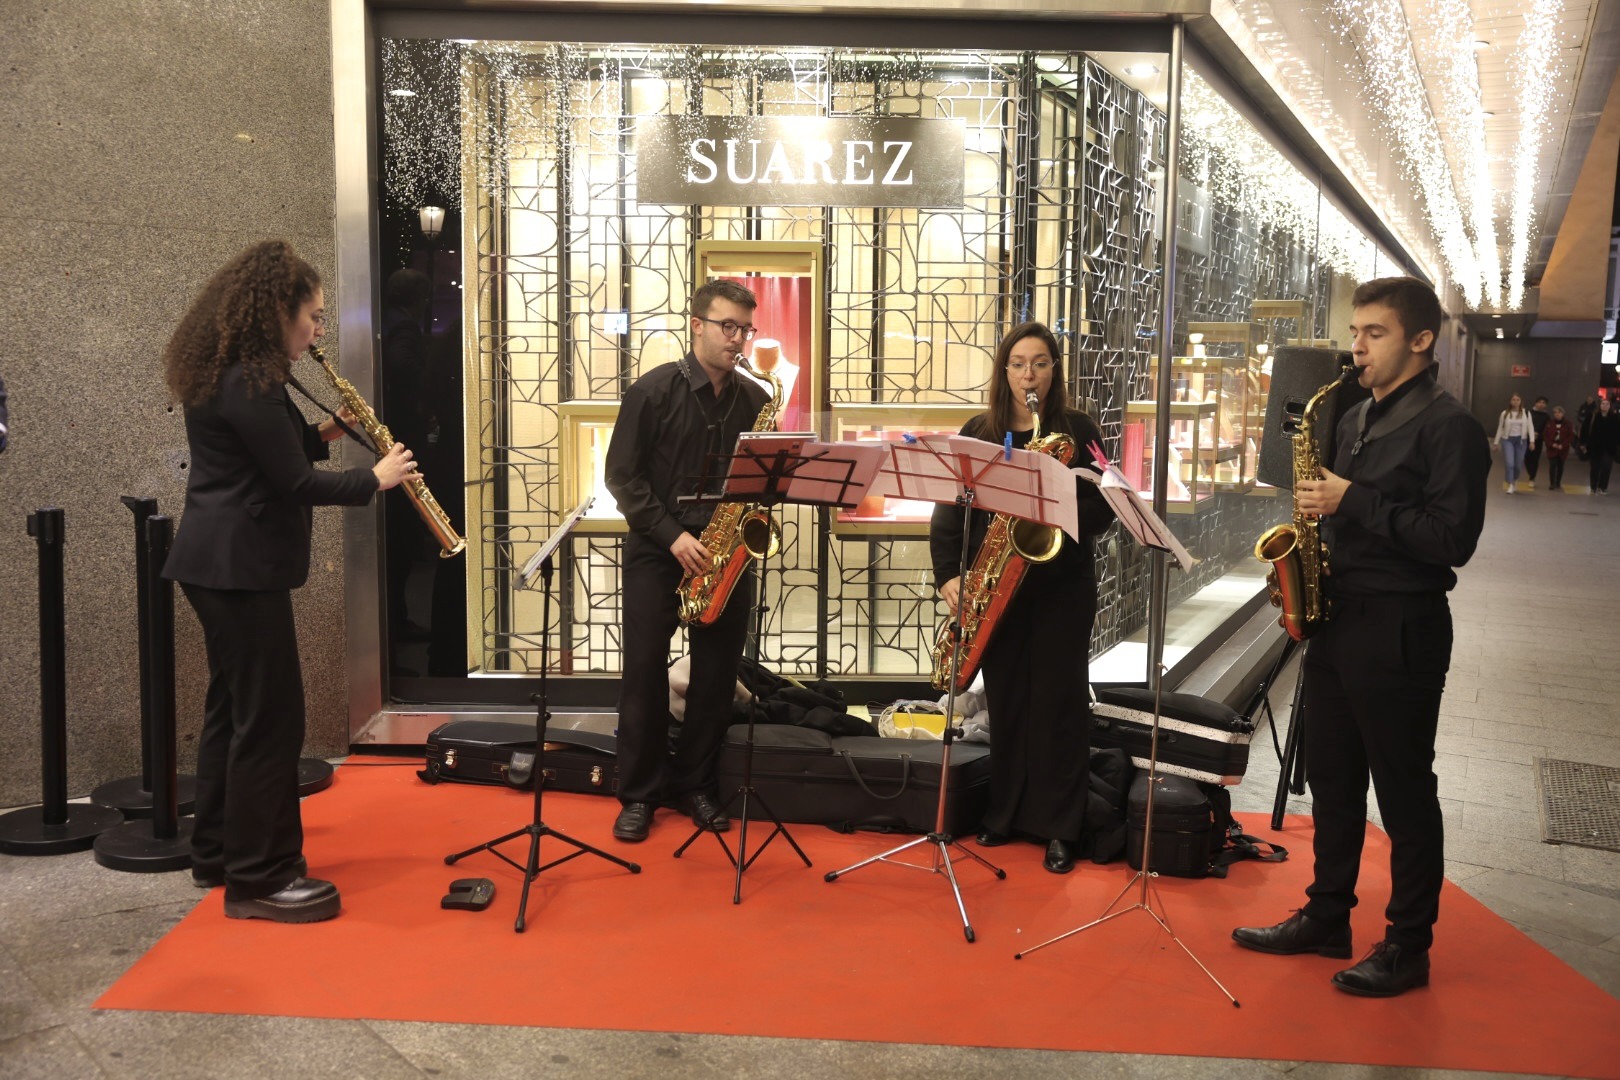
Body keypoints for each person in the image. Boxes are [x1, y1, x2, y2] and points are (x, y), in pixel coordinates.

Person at [1232, 277, 1489, 997]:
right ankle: (1326, 917)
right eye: (1355, 332)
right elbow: (1336, 516)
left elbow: (1451, 540)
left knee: (1405, 792)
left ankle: (1409, 946)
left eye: (1373, 333)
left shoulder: (1449, 427)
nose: (1357, 347)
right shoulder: (1352, 418)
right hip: (1340, 618)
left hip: (1402, 625)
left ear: (1420, 339)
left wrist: (1356, 499)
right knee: (1336, 784)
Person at [162, 241, 417, 923]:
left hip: (220, 564)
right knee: (271, 721)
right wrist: (377, 478)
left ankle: (216, 851)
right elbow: (293, 483)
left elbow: (278, 450)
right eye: (312, 315)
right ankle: (260, 878)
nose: (318, 329)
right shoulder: (250, 379)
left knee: (234, 711)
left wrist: (331, 429)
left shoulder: (241, 373)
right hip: (237, 568)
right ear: (277, 311)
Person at [929, 321, 1114, 874]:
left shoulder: (1078, 429)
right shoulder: (979, 430)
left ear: (1054, 370)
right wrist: (946, 576)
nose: (1028, 374)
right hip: (998, 583)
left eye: (1039, 363)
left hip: (1062, 586)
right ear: (1003, 371)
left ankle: (1060, 828)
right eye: (1017, 363)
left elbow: (1106, 511)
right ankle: (1003, 814)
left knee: (1059, 705)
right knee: (1007, 701)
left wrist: (1065, 488)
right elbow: (949, 510)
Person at [602, 280, 770, 842]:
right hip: (660, 549)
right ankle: (641, 793)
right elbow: (622, 479)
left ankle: (698, 785)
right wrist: (673, 536)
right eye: (728, 326)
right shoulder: (651, 392)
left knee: (717, 675)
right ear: (696, 324)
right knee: (645, 670)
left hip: (725, 553)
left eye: (745, 328)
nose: (738, 339)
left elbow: (761, 485)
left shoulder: (755, 399)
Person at [1492, 392, 1533, 493]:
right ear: (1510, 402)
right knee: (1509, 463)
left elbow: (1530, 427)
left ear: (1521, 401)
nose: (1515, 402)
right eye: (1513, 400)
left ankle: (1515, 479)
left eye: (1517, 400)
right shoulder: (1504, 413)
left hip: (1521, 441)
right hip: (1507, 440)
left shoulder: (1526, 413)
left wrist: (1532, 441)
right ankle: (1510, 484)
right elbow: (1500, 428)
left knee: (1518, 465)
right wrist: (1496, 442)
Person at [1587, 396, 1619, 495]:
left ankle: (1603, 487)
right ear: (1599, 405)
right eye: (1603, 404)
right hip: (1595, 447)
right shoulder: (1593, 416)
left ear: (1610, 406)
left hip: (1609, 448)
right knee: (1595, 467)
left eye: (1607, 404)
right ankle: (1593, 486)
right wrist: (1584, 443)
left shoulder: (1615, 418)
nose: (1605, 406)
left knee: (1606, 467)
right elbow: (1586, 429)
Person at [1542, 405, 1577, 491]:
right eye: (1555, 413)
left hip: (1563, 449)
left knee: (1560, 466)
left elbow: (1571, 436)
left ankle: (1558, 482)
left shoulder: (1568, 424)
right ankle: (1552, 483)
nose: (1557, 414)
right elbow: (1545, 436)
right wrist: (1551, 444)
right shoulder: (1549, 423)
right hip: (1552, 448)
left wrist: (1563, 445)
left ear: (1563, 414)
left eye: (1559, 412)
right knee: (1552, 465)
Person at [1524, 396, 1550, 484]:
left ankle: (1532, 478)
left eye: (1543, 403)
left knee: (1535, 459)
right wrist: (1529, 433)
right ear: (1535, 403)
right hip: (1527, 439)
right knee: (1527, 458)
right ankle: (1530, 472)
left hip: (1538, 440)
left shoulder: (1546, 416)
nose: (1541, 404)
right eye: (1539, 402)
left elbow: (1547, 429)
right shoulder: (1528, 413)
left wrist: (1539, 434)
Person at [1576, 395, 1599, 461]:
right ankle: (1582, 453)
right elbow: (1580, 413)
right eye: (1588, 399)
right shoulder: (1583, 406)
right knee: (1581, 437)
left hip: (1591, 425)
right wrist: (1580, 419)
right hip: (1582, 423)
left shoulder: (1595, 407)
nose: (1589, 400)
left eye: (1590, 399)